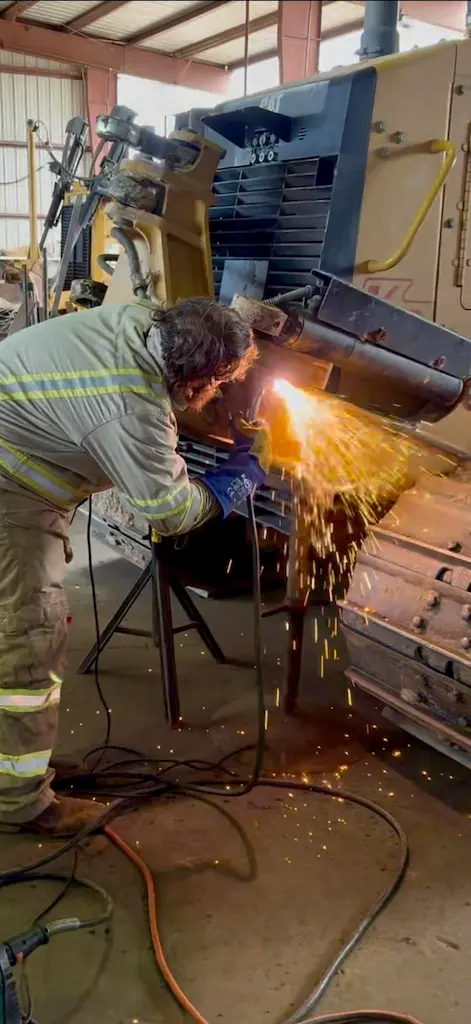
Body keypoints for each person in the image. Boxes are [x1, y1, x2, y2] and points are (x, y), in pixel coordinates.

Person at [0, 297, 270, 837]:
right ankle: (20, 801)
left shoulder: (142, 319)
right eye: (215, 386)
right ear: (193, 379)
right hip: (10, 494)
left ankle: (23, 766)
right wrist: (240, 476)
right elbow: (171, 514)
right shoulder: (131, 407)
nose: (216, 396)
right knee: (29, 638)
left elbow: (161, 412)